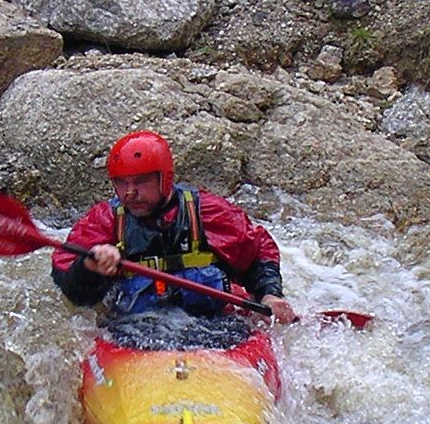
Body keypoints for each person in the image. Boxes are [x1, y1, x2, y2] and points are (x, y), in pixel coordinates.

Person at [52, 131, 299, 324]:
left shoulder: (206, 212)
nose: (130, 192)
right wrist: (88, 268)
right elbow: (73, 291)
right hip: (133, 331)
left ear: (165, 179)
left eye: (141, 182)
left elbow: (257, 252)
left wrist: (269, 294)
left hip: (215, 326)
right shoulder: (106, 220)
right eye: (121, 183)